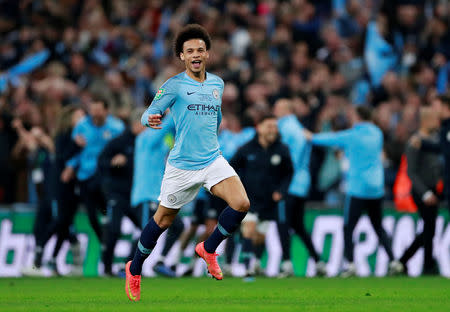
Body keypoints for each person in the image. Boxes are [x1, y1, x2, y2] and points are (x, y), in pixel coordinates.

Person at [125, 24, 250, 301]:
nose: (196, 54)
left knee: (241, 203)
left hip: (212, 159)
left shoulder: (218, 84)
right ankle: (134, 268)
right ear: (182, 56)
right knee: (163, 220)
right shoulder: (173, 85)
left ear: (207, 54)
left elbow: (215, 119)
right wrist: (151, 119)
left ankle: (208, 248)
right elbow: (147, 114)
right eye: (190, 50)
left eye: (200, 50)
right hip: (181, 165)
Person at [305, 106, 402, 277]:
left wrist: (310, 136)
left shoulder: (352, 135)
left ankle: (350, 264)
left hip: (357, 189)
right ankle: (394, 260)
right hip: (376, 189)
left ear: (357, 116)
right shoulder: (377, 133)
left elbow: (328, 139)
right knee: (378, 226)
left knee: (348, 227)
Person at [230, 115, 293, 279]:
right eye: (269, 126)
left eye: (275, 127)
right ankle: (247, 269)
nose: (273, 130)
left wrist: (282, 190)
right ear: (259, 128)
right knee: (249, 230)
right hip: (249, 199)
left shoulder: (282, 149)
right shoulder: (246, 149)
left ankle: (255, 262)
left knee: (259, 237)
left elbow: (289, 172)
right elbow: (231, 169)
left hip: (269, 202)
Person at [62, 96, 125, 250]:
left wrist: (121, 155)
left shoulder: (116, 127)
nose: (95, 114)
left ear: (106, 111)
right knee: (91, 214)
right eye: (92, 110)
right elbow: (76, 150)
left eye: (98, 110)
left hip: (106, 175)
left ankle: (110, 233)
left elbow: (124, 146)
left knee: (107, 206)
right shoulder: (82, 126)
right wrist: (70, 166)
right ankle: (103, 241)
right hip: (85, 174)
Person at [273, 98, 327, 277]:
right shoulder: (299, 128)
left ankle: (287, 263)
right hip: (303, 183)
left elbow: (284, 156)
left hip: (289, 182)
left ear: (284, 109)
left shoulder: (284, 127)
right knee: (298, 225)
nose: (274, 111)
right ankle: (318, 261)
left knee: (283, 223)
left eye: (277, 108)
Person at [129, 112, 184, 277]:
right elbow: (167, 126)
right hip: (146, 195)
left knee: (178, 226)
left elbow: (173, 135)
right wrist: (175, 109)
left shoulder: (160, 142)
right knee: (146, 232)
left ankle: (159, 261)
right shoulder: (144, 139)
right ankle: (129, 266)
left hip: (160, 195)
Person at [98, 109, 144, 276]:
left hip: (135, 195)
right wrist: (112, 163)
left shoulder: (144, 143)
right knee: (114, 229)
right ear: (135, 123)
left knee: (146, 229)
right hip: (117, 194)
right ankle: (107, 268)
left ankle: (128, 263)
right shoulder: (118, 142)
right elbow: (101, 162)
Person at [399, 107, 443, 275]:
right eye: (433, 118)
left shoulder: (433, 140)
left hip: (432, 189)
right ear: (425, 120)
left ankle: (421, 263)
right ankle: (416, 262)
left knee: (429, 229)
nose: (437, 121)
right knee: (428, 229)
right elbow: (411, 172)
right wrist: (424, 193)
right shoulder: (415, 142)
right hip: (421, 191)